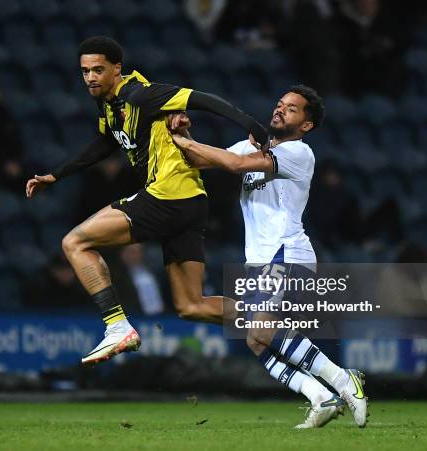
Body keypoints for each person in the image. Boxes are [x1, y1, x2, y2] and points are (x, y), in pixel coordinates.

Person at [25, 36, 268, 365]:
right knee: (190, 306)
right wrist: (56, 175)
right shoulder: (108, 104)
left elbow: (203, 99)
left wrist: (252, 125)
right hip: (192, 201)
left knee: (75, 243)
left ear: (117, 69)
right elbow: (104, 142)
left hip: (168, 195)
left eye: (98, 70)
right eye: (85, 72)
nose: (91, 78)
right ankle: (271, 323)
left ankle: (116, 326)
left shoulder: (142, 94)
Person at [169, 85, 368, 428]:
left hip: (288, 253)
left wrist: (186, 141)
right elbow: (202, 159)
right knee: (255, 338)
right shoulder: (252, 146)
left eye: (291, 109)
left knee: (260, 329)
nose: (280, 110)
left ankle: (341, 380)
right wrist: (183, 134)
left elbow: (232, 165)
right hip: (261, 261)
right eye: (279, 104)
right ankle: (319, 396)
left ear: (306, 125)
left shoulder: (298, 152)